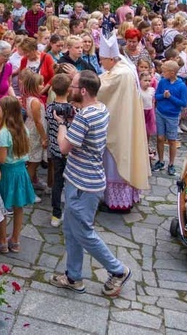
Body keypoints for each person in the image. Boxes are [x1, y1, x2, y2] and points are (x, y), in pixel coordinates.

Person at [50, 70, 132, 297]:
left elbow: (64, 148)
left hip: (83, 185)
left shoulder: (85, 117)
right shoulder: (100, 109)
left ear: (83, 91)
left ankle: (118, 270)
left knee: (84, 232)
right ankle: (73, 276)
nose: (70, 90)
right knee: (70, 229)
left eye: (74, 87)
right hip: (79, 180)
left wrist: (62, 125)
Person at [97, 34, 150, 212]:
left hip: (119, 126)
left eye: (102, 59)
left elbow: (101, 90)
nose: (101, 63)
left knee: (115, 160)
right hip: (123, 120)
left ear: (111, 58)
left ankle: (118, 202)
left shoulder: (120, 74)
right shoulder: (123, 67)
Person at [0, 96, 36, 253]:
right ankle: (15, 240)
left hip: (7, 173)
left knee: (2, 207)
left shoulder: (4, 132)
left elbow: (2, 158)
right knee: (19, 207)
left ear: (4, 112)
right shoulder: (23, 128)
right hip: (21, 172)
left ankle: (3, 240)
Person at [46, 73, 75, 228]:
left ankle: (56, 214)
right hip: (70, 150)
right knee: (70, 181)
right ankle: (71, 211)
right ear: (69, 90)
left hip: (56, 150)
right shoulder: (72, 109)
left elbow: (49, 125)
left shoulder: (50, 108)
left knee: (57, 181)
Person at [153, 61, 187, 175]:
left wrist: (170, 97)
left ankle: (171, 163)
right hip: (160, 113)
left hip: (172, 116)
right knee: (160, 137)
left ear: (172, 73)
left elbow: (183, 103)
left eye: (164, 72)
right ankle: (161, 160)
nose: (162, 74)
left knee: (172, 140)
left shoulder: (181, 86)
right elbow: (157, 96)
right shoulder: (163, 82)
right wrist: (163, 96)